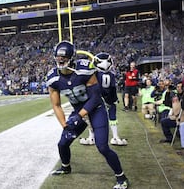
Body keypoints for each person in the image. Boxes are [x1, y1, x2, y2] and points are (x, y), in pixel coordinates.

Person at [46, 41, 129, 189]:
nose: (60, 60)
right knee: (62, 143)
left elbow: (95, 98)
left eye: (63, 58)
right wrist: (64, 124)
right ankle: (66, 167)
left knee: (102, 147)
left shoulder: (84, 69)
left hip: (95, 108)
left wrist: (80, 116)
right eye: (58, 58)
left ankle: (121, 177)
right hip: (78, 109)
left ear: (72, 57)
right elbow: (56, 105)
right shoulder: (53, 77)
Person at [79, 52, 127, 146]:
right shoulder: (111, 75)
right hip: (109, 99)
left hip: (96, 99)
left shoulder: (95, 74)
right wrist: (114, 99)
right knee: (112, 117)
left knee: (92, 118)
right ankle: (115, 137)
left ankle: (92, 137)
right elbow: (113, 88)